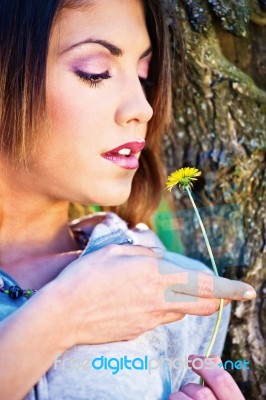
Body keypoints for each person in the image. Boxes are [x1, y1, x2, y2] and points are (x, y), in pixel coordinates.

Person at [0, 0, 256, 399]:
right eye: (96, 72)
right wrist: (63, 316)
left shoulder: (174, 290)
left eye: (144, 76)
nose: (142, 108)